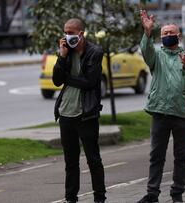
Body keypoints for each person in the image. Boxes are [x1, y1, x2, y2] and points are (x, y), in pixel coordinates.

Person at [137, 10, 185, 203]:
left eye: (171, 32)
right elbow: (146, 52)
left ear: (179, 35)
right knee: (156, 156)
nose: (168, 35)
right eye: (164, 33)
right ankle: (152, 194)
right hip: (159, 112)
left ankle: (177, 194)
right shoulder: (156, 55)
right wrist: (147, 32)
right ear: (160, 37)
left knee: (181, 157)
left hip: (182, 113)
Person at [52, 18, 106, 203]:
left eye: (72, 32)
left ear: (81, 33)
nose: (68, 35)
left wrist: (68, 78)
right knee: (71, 162)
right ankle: (70, 198)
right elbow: (57, 80)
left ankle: (99, 198)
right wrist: (62, 56)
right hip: (66, 113)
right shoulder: (66, 52)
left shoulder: (94, 52)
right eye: (65, 32)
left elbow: (90, 82)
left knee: (93, 160)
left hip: (86, 114)